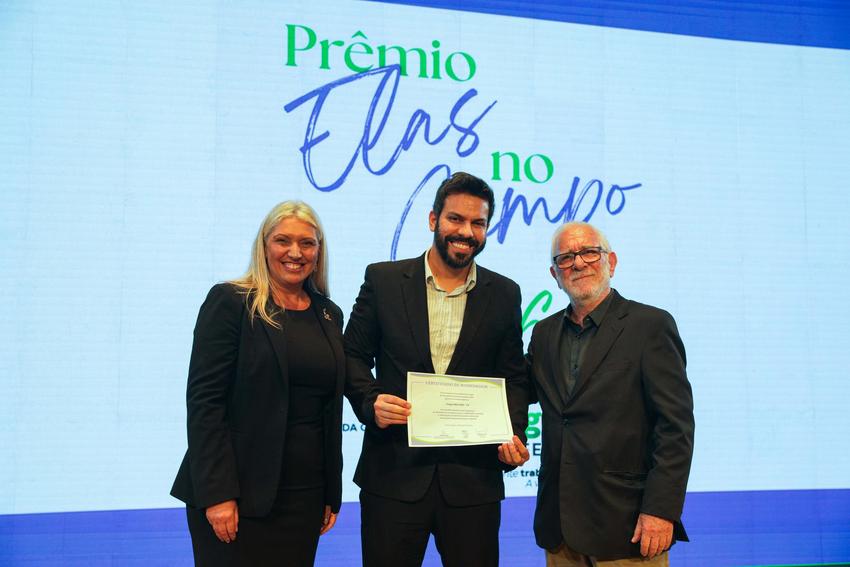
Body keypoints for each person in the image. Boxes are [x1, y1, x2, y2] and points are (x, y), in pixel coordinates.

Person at [344, 172, 530, 567]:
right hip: (393, 475)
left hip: (473, 482)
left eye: (478, 223)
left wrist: (512, 432)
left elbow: (513, 376)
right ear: (433, 220)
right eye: (455, 219)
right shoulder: (383, 280)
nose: (466, 232)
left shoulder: (504, 293)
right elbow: (351, 356)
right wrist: (370, 401)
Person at [170, 201, 345, 567]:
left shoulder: (329, 314)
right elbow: (205, 404)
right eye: (283, 241)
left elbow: (328, 411)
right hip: (237, 495)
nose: (295, 252)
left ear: (319, 251)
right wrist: (217, 493)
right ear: (264, 246)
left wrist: (331, 490)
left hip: (305, 496)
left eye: (307, 243)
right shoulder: (231, 302)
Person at [526, 221, 695, 566]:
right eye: (565, 258)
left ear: (611, 262)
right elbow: (517, 390)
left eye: (590, 252)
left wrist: (661, 510)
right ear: (555, 274)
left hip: (628, 527)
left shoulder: (651, 326)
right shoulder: (543, 334)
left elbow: (675, 428)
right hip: (559, 528)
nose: (578, 263)